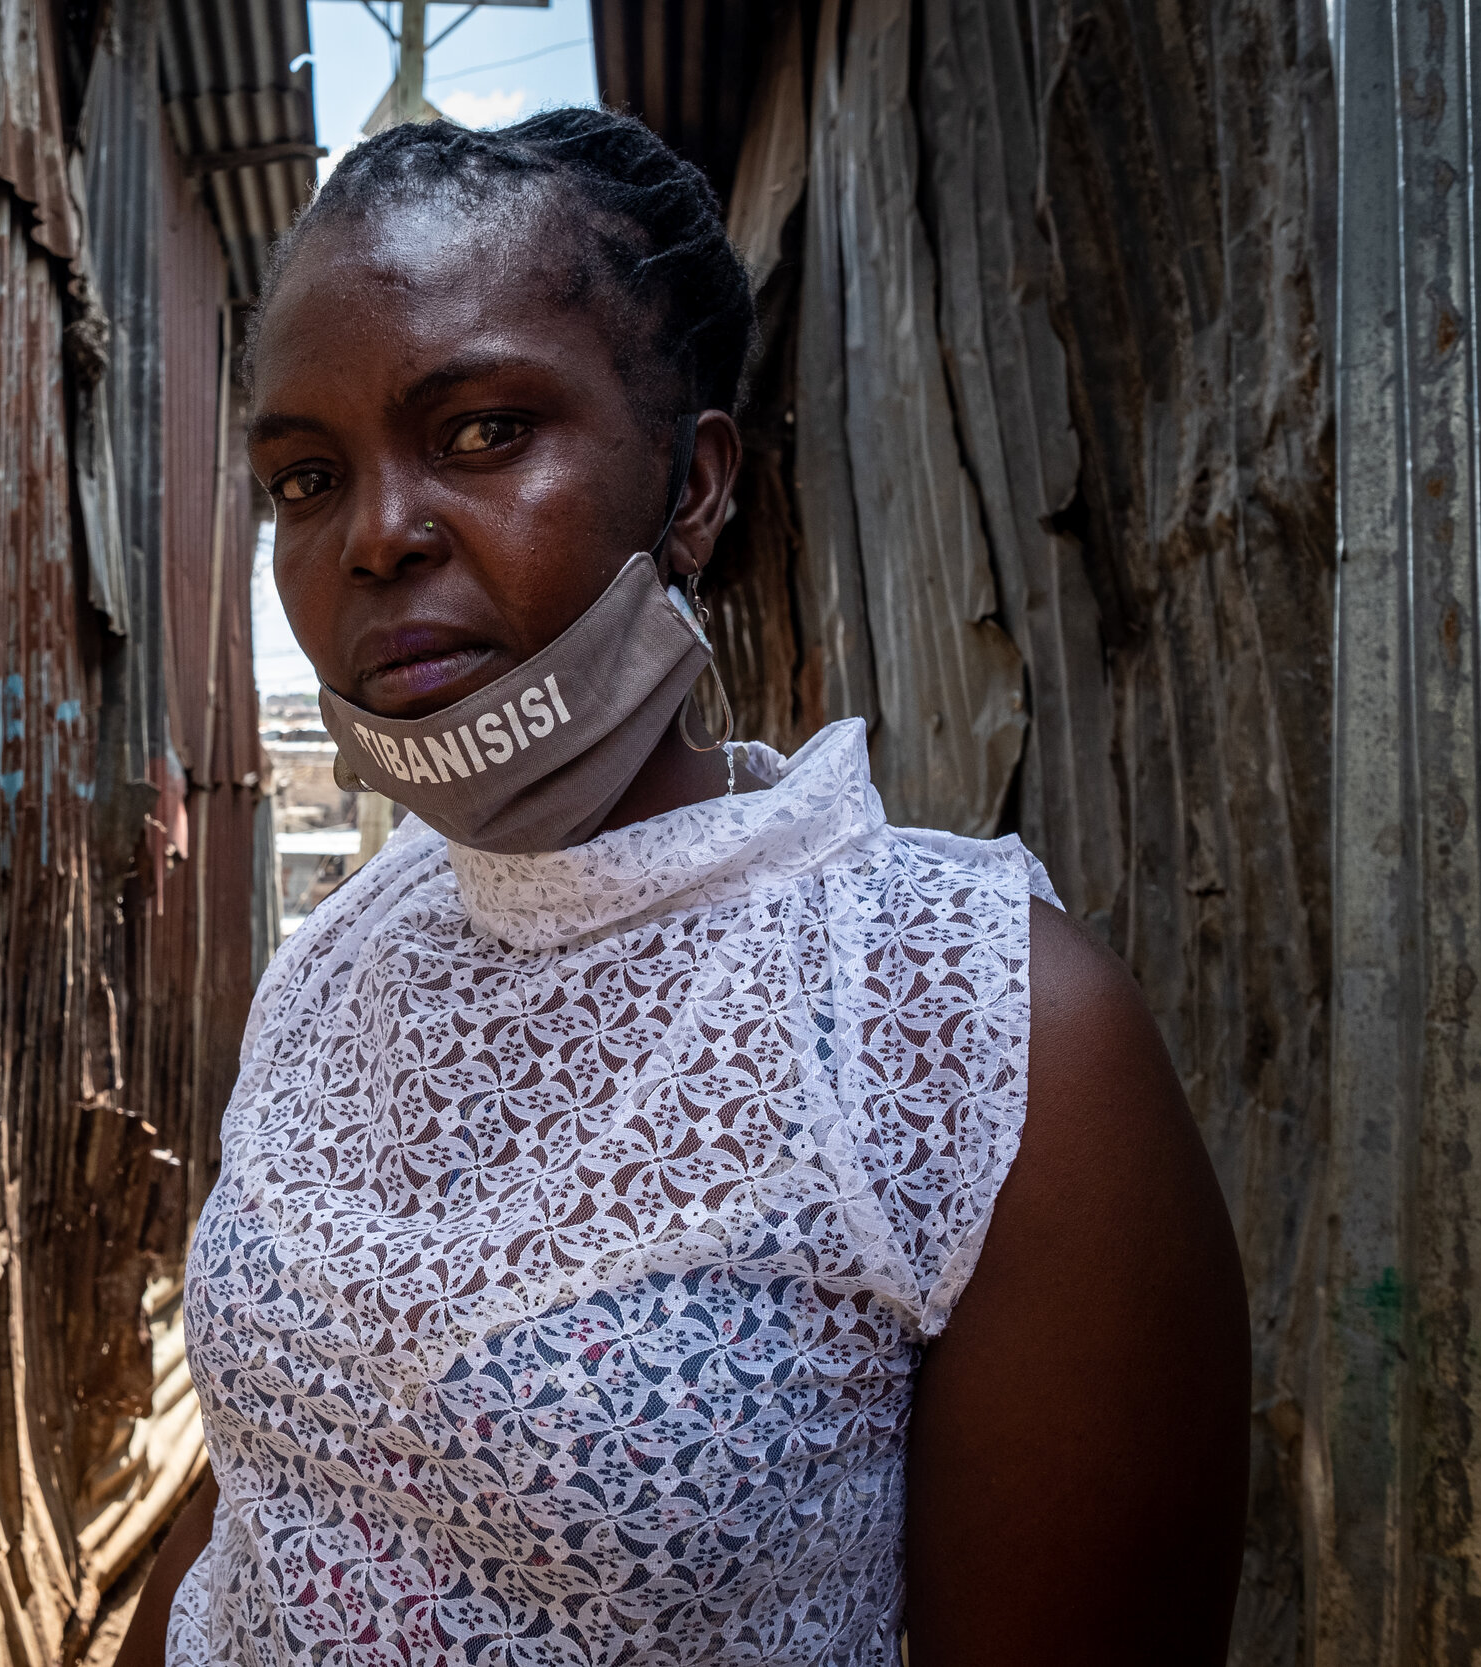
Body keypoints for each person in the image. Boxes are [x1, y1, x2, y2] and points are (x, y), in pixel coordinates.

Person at [117, 109, 1248, 1667]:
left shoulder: (987, 1032)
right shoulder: (338, 960)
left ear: (697, 486)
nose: (376, 535)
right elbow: (257, 1501)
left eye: (484, 433)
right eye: (307, 478)